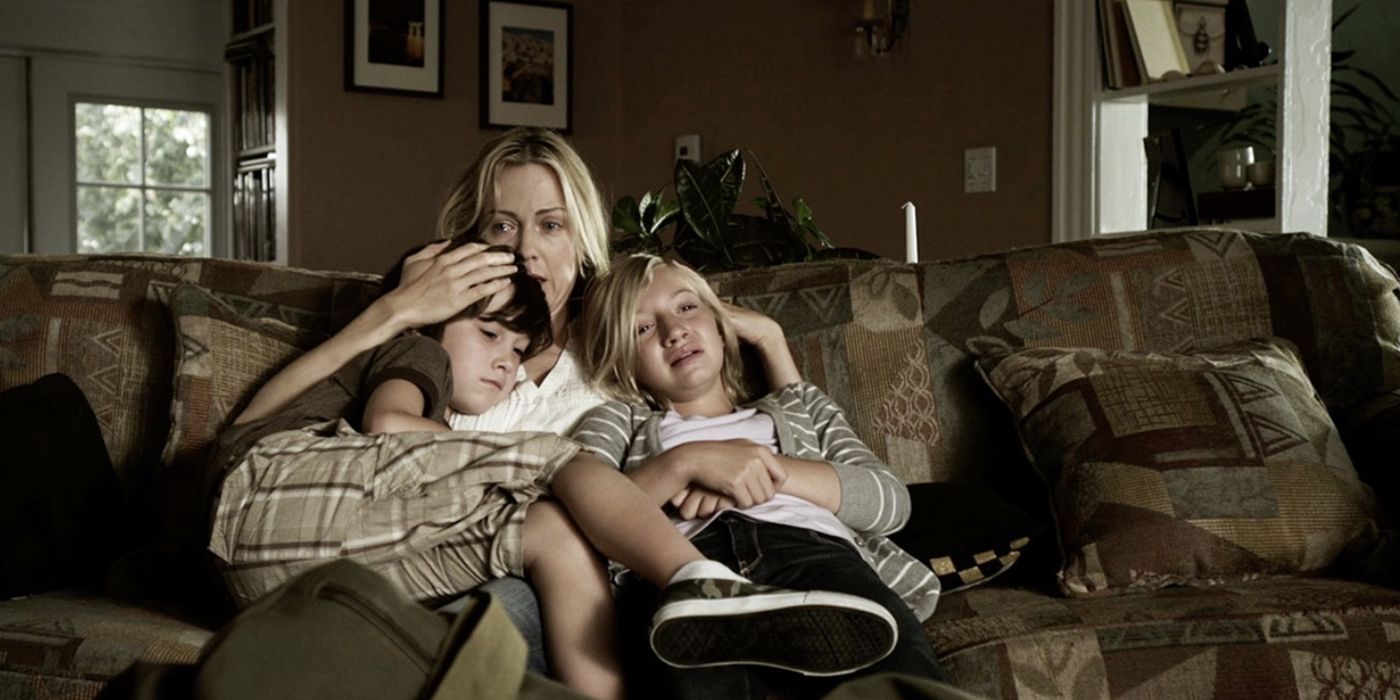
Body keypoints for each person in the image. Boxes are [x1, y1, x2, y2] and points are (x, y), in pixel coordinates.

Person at [222, 128, 885, 688]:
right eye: (501, 226)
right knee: (506, 592)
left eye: (550, 225)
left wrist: (766, 342)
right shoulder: (442, 332)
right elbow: (261, 432)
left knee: (518, 598)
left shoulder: (624, 349)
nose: (525, 249)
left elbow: (742, 423)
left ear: (582, 239)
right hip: (406, 555)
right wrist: (397, 307)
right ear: (472, 242)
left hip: (561, 585)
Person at [570, 254, 946, 699]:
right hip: (683, 569)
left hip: (811, 555)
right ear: (624, 361)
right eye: (643, 328)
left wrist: (758, 469)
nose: (674, 331)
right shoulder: (618, 420)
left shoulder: (798, 410)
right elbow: (582, 513)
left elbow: (889, 502)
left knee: (904, 677)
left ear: (720, 323)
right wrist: (687, 462)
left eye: (687, 307)